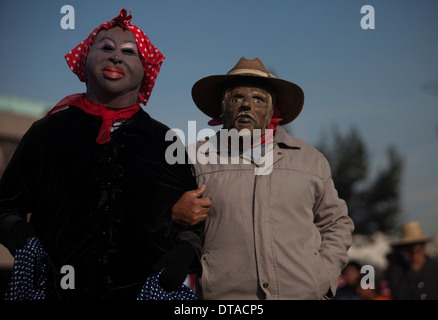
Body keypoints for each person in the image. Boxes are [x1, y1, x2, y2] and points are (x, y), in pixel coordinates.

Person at [0, 9, 206, 300]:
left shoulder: (165, 142)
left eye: (129, 52)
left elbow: (194, 222)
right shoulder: (46, 133)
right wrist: (25, 241)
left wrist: (185, 252)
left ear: (146, 70)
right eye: (106, 47)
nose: (116, 57)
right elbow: (5, 206)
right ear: (85, 59)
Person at [176, 57, 355, 299]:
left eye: (258, 99)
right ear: (222, 108)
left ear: (273, 111)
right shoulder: (195, 159)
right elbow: (160, 220)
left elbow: (336, 223)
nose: (246, 105)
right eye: (237, 98)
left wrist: (321, 277)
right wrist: (175, 213)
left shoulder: (311, 161)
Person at [385, 221, 438, 300]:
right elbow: (400, 295)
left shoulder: (434, 266)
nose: (415, 255)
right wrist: (413, 270)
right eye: (410, 251)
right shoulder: (395, 269)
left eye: (419, 250)